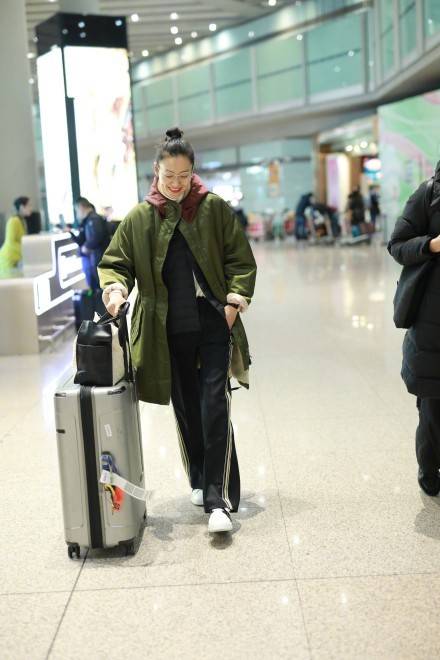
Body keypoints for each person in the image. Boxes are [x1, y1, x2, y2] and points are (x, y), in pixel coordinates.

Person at [98, 127, 257, 534]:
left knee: (214, 404)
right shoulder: (140, 217)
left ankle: (219, 501)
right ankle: (200, 478)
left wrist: (233, 304)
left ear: (193, 173)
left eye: (184, 176)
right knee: (186, 407)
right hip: (167, 331)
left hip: (213, 323)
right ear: (156, 171)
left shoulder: (213, 208)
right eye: (169, 175)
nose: (176, 183)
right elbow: (116, 263)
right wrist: (115, 289)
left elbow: (241, 260)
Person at [388, 162, 440, 496]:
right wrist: (432, 245)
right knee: (433, 404)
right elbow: (397, 245)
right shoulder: (429, 194)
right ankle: (430, 468)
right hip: (433, 319)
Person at [71, 197, 110, 291]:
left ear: (81, 207)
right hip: (96, 259)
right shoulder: (87, 221)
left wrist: (87, 246)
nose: (77, 214)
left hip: (101, 258)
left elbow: (97, 235)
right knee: (97, 286)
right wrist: (70, 233)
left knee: (103, 287)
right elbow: (82, 239)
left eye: (77, 210)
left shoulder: (94, 219)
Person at [0, 196, 32, 271]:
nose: (31, 208)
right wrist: (26, 251)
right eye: (29, 205)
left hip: (15, 260)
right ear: (21, 207)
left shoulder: (22, 221)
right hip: (7, 260)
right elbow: (11, 242)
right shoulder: (13, 221)